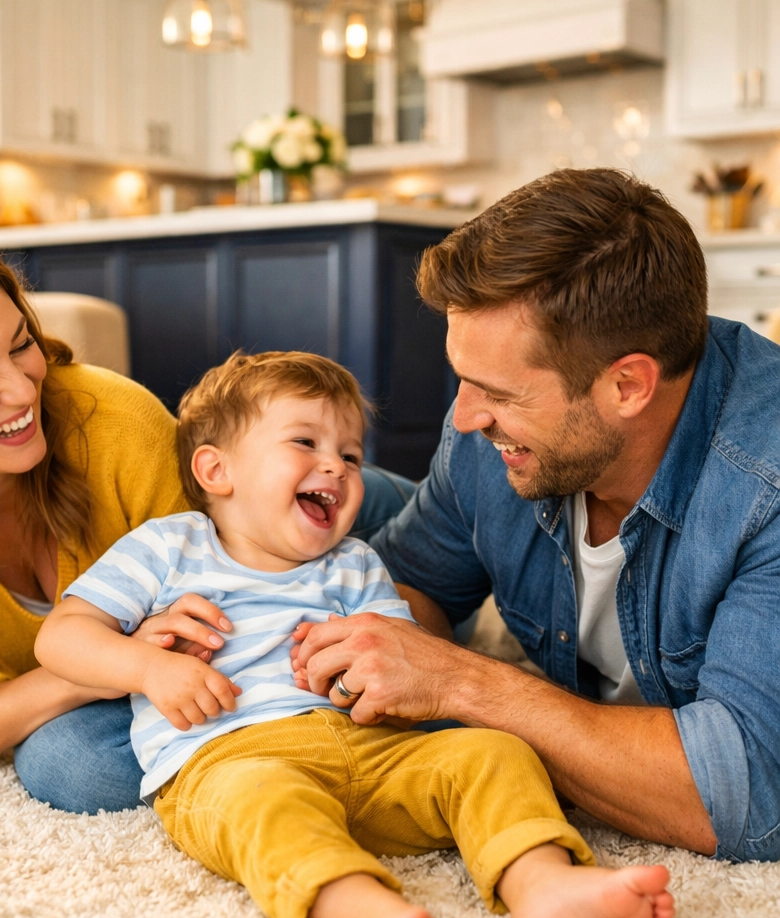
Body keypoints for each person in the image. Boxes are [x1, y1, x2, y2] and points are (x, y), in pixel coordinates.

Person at [35, 350, 674, 918]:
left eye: (350, 452)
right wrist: (146, 667)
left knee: (490, 753)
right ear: (216, 469)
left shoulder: (355, 561)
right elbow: (62, 637)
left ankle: (543, 884)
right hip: (230, 756)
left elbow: (398, 665)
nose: (336, 467)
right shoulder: (167, 547)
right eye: (305, 442)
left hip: (373, 750)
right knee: (265, 810)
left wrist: (357, 680)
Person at [0, 218, 409, 815]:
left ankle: (437, 544)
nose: (21, 389)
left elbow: (249, 604)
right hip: (153, 644)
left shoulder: (116, 425)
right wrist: (90, 668)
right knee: (70, 765)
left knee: (408, 568)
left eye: (20, 345)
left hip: (292, 524)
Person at [288, 167, 780, 864]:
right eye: (462, 379)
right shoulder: (483, 441)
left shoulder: (765, 487)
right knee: (279, 489)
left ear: (627, 385)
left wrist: (461, 681)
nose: (463, 417)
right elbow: (420, 582)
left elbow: (742, 796)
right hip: (451, 500)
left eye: (497, 393)